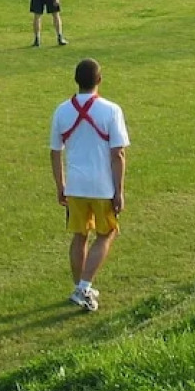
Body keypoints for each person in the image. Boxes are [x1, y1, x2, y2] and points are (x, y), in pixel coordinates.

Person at [49, 58, 130, 312]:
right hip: (102, 186)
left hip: (75, 185)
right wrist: (119, 190)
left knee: (80, 235)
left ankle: (79, 288)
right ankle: (83, 287)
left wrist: (60, 184)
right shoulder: (111, 110)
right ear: (99, 80)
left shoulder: (61, 111)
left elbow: (55, 152)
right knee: (107, 233)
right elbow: (117, 154)